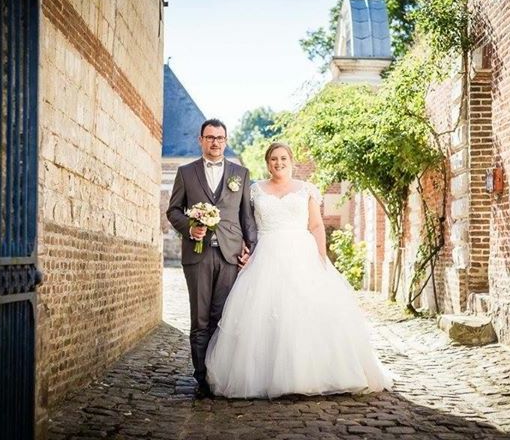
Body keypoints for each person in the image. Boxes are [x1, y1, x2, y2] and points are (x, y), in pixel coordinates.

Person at [205, 142, 390, 398]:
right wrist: (246, 251)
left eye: (283, 158)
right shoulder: (255, 190)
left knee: (304, 312)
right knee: (265, 313)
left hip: (301, 254)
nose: (278, 163)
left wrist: (321, 257)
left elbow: (315, 226)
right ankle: (267, 376)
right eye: (273, 159)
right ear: (267, 162)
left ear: (291, 161)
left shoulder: (305, 190)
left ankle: (309, 374)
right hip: (266, 255)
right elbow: (247, 226)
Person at [166, 119, 257, 399]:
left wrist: (251, 249)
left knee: (223, 317)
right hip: (198, 255)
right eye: (209, 137)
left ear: (226, 141)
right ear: (201, 140)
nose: (215, 142)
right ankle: (202, 378)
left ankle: (220, 374)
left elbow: (247, 217)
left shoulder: (240, 174)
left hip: (230, 255)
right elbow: (173, 211)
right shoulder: (186, 172)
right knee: (200, 318)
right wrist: (190, 228)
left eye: (219, 138)